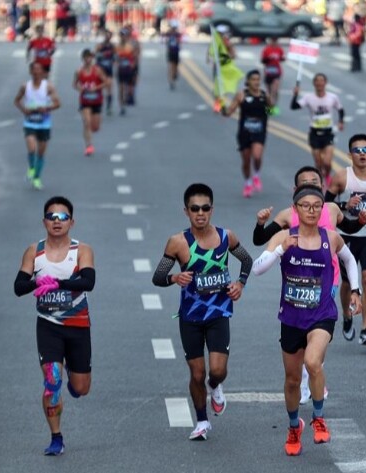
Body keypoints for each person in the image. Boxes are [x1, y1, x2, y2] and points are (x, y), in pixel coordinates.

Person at [252, 184, 362, 456]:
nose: (312, 211)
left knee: (313, 362)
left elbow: (349, 261)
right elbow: (257, 269)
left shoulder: (331, 238)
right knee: (291, 380)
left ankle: (318, 417)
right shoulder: (283, 236)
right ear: (296, 209)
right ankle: (294, 426)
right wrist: (280, 250)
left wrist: (355, 290)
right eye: (306, 206)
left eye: (316, 206)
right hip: (291, 317)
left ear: (322, 209)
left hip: (322, 314)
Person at [151, 183, 253, 441]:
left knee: (217, 371)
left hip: (218, 313)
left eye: (205, 208)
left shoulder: (226, 237)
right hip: (191, 317)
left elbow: (246, 260)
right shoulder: (178, 242)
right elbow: (158, 277)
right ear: (186, 211)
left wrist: (240, 284)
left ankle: (215, 386)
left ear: (212, 209)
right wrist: (174, 278)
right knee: (197, 373)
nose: (200, 213)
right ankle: (202, 421)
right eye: (194, 209)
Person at [13, 196, 96, 456]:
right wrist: (37, 283)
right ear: (44, 222)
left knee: (81, 388)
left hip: (78, 325)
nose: (57, 221)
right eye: (51, 217)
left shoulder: (81, 250)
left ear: (72, 222)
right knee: (52, 381)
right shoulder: (34, 251)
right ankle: (56, 437)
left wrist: (58, 283)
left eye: (62, 217)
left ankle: (73, 375)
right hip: (48, 326)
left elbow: (89, 282)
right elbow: (18, 287)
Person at [326, 134, 366, 346]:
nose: (362, 154)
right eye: (357, 151)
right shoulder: (341, 177)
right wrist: (345, 205)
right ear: (350, 155)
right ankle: (347, 316)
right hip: (347, 236)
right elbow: (326, 204)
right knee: (347, 282)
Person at [221, 70, 272, 198]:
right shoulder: (241, 95)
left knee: (257, 156)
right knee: (246, 159)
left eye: (258, 79)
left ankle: (256, 175)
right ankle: (248, 183)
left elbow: (271, 111)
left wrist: (269, 103)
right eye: (253, 79)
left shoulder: (264, 95)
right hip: (244, 132)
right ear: (248, 81)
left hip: (259, 131)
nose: (256, 82)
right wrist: (223, 109)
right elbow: (230, 111)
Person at [291, 73, 344, 187]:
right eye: (317, 81)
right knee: (318, 162)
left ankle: (327, 176)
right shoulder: (308, 97)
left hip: (328, 133)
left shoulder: (332, 97)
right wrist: (295, 95)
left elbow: (340, 109)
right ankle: (320, 181)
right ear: (314, 83)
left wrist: (341, 122)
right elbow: (294, 106)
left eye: (321, 81)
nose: (319, 83)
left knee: (327, 162)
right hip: (315, 133)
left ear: (325, 83)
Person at [14, 62, 61, 190]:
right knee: (31, 148)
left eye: (38, 69)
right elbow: (16, 100)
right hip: (30, 123)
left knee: (40, 153)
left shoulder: (48, 87)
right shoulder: (25, 86)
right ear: (30, 72)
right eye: (34, 69)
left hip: (44, 124)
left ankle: (37, 178)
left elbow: (57, 104)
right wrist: (24, 110)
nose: (36, 72)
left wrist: (46, 108)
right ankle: (31, 168)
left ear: (42, 72)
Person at [74, 48, 109, 156]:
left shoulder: (97, 70)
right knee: (87, 122)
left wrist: (96, 88)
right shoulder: (79, 71)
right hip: (85, 101)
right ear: (82, 59)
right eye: (85, 58)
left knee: (95, 127)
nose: (87, 60)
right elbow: (74, 84)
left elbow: (106, 82)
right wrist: (80, 88)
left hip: (96, 100)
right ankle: (89, 146)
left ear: (92, 58)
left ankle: (90, 135)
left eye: (89, 57)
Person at [115, 28, 137, 116]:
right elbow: (115, 58)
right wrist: (117, 63)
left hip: (128, 70)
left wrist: (132, 66)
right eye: (122, 35)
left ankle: (125, 101)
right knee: (121, 89)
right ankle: (122, 106)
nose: (123, 37)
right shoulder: (117, 47)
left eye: (125, 35)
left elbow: (134, 57)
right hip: (120, 70)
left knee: (126, 88)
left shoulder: (130, 46)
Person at [261, 37, 285, 115]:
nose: (274, 43)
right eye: (273, 41)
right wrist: (269, 58)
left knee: (275, 90)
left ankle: (273, 107)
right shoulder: (266, 49)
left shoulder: (279, 49)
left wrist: (281, 58)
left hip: (277, 72)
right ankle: (269, 107)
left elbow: (282, 58)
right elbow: (262, 60)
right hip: (268, 72)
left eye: (275, 41)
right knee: (268, 91)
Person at [95, 29, 116, 115]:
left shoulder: (112, 46)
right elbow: (95, 55)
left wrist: (114, 61)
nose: (108, 37)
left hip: (109, 69)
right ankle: (97, 104)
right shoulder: (100, 45)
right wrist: (102, 54)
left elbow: (115, 57)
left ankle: (109, 106)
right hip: (101, 69)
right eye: (106, 35)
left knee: (109, 88)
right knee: (99, 87)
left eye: (109, 35)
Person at [165, 20, 181, 90]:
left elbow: (180, 42)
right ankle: (171, 81)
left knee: (175, 66)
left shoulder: (178, 34)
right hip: (170, 52)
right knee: (171, 66)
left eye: (175, 28)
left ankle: (174, 76)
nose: (174, 29)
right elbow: (165, 41)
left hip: (176, 52)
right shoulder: (168, 34)